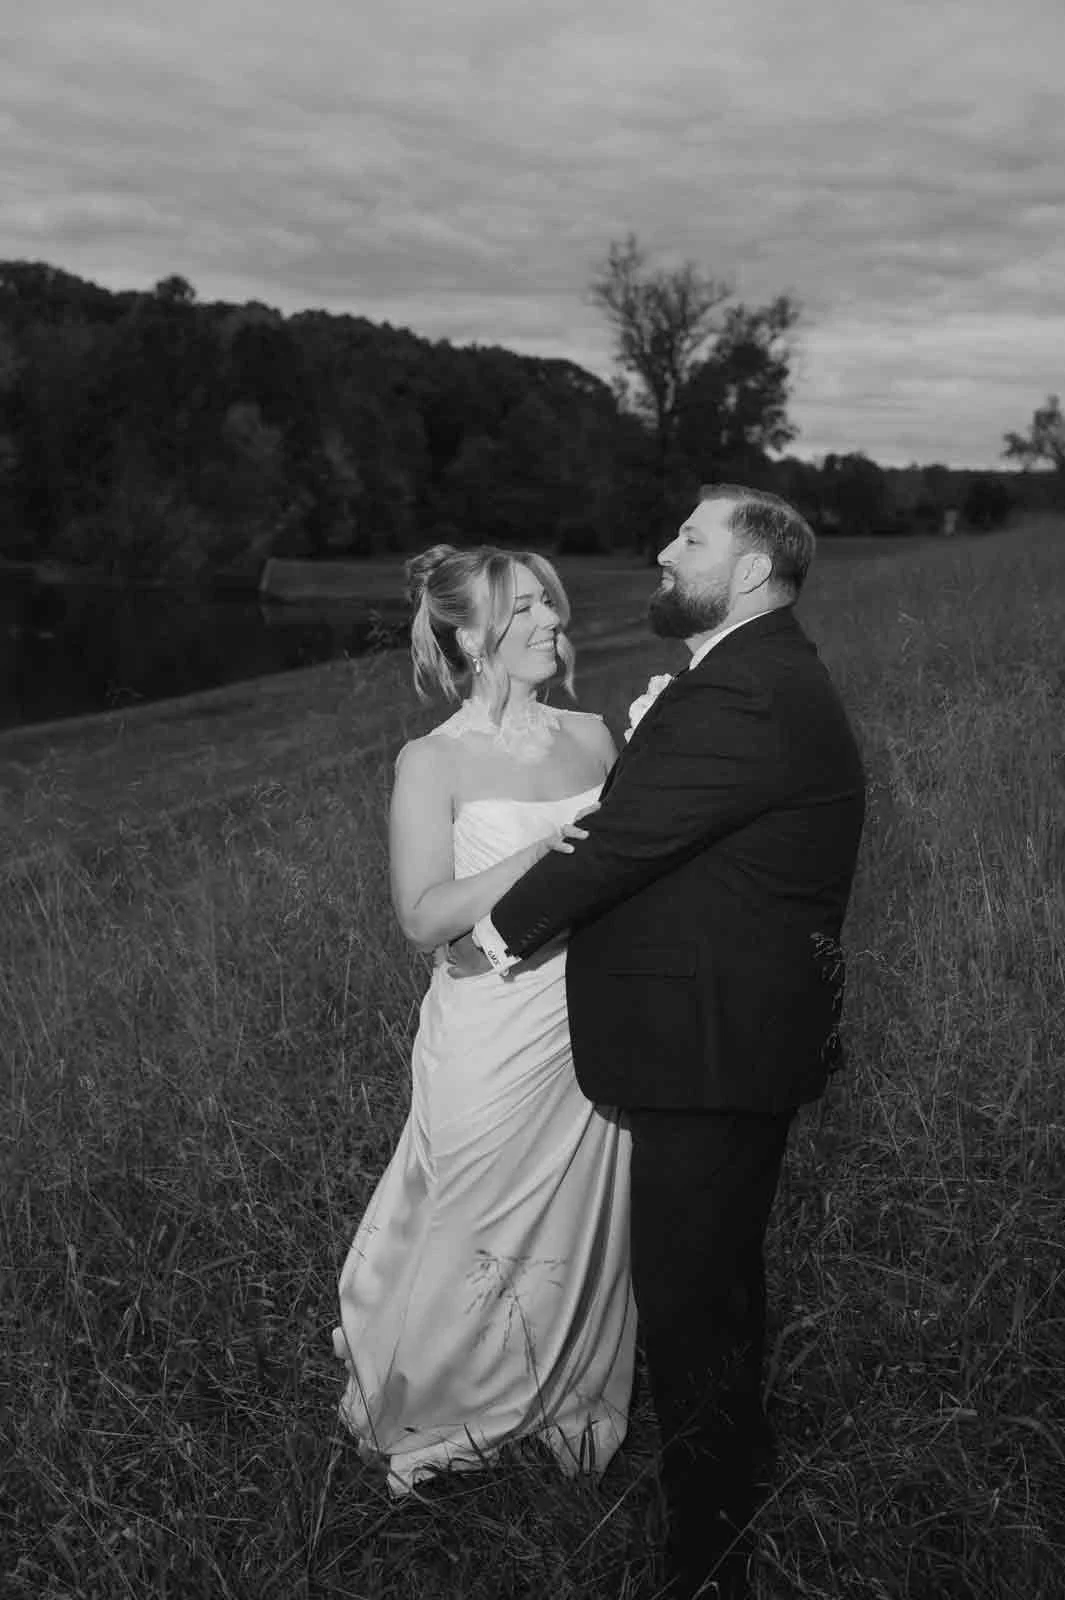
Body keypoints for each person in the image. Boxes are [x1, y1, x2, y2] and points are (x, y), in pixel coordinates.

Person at [454, 486, 867, 1599]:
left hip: (716, 1043)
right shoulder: (750, 673)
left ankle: (709, 1546)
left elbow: (624, 841)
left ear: (743, 572)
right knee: (718, 1276)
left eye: (689, 538)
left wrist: (486, 940)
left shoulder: (751, 688)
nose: (660, 550)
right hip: (722, 1032)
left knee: (684, 1293)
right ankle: (744, 1459)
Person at [332, 544, 636, 1496]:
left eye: (552, 605)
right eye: (526, 611)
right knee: (469, 1204)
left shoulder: (595, 737)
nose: (553, 623)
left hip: (592, 1018)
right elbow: (422, 916)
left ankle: (559, 1383)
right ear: (469, 636)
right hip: (491, 1022)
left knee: (582, 1216)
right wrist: (545, 851)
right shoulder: (431, 761)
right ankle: (440, 1392)